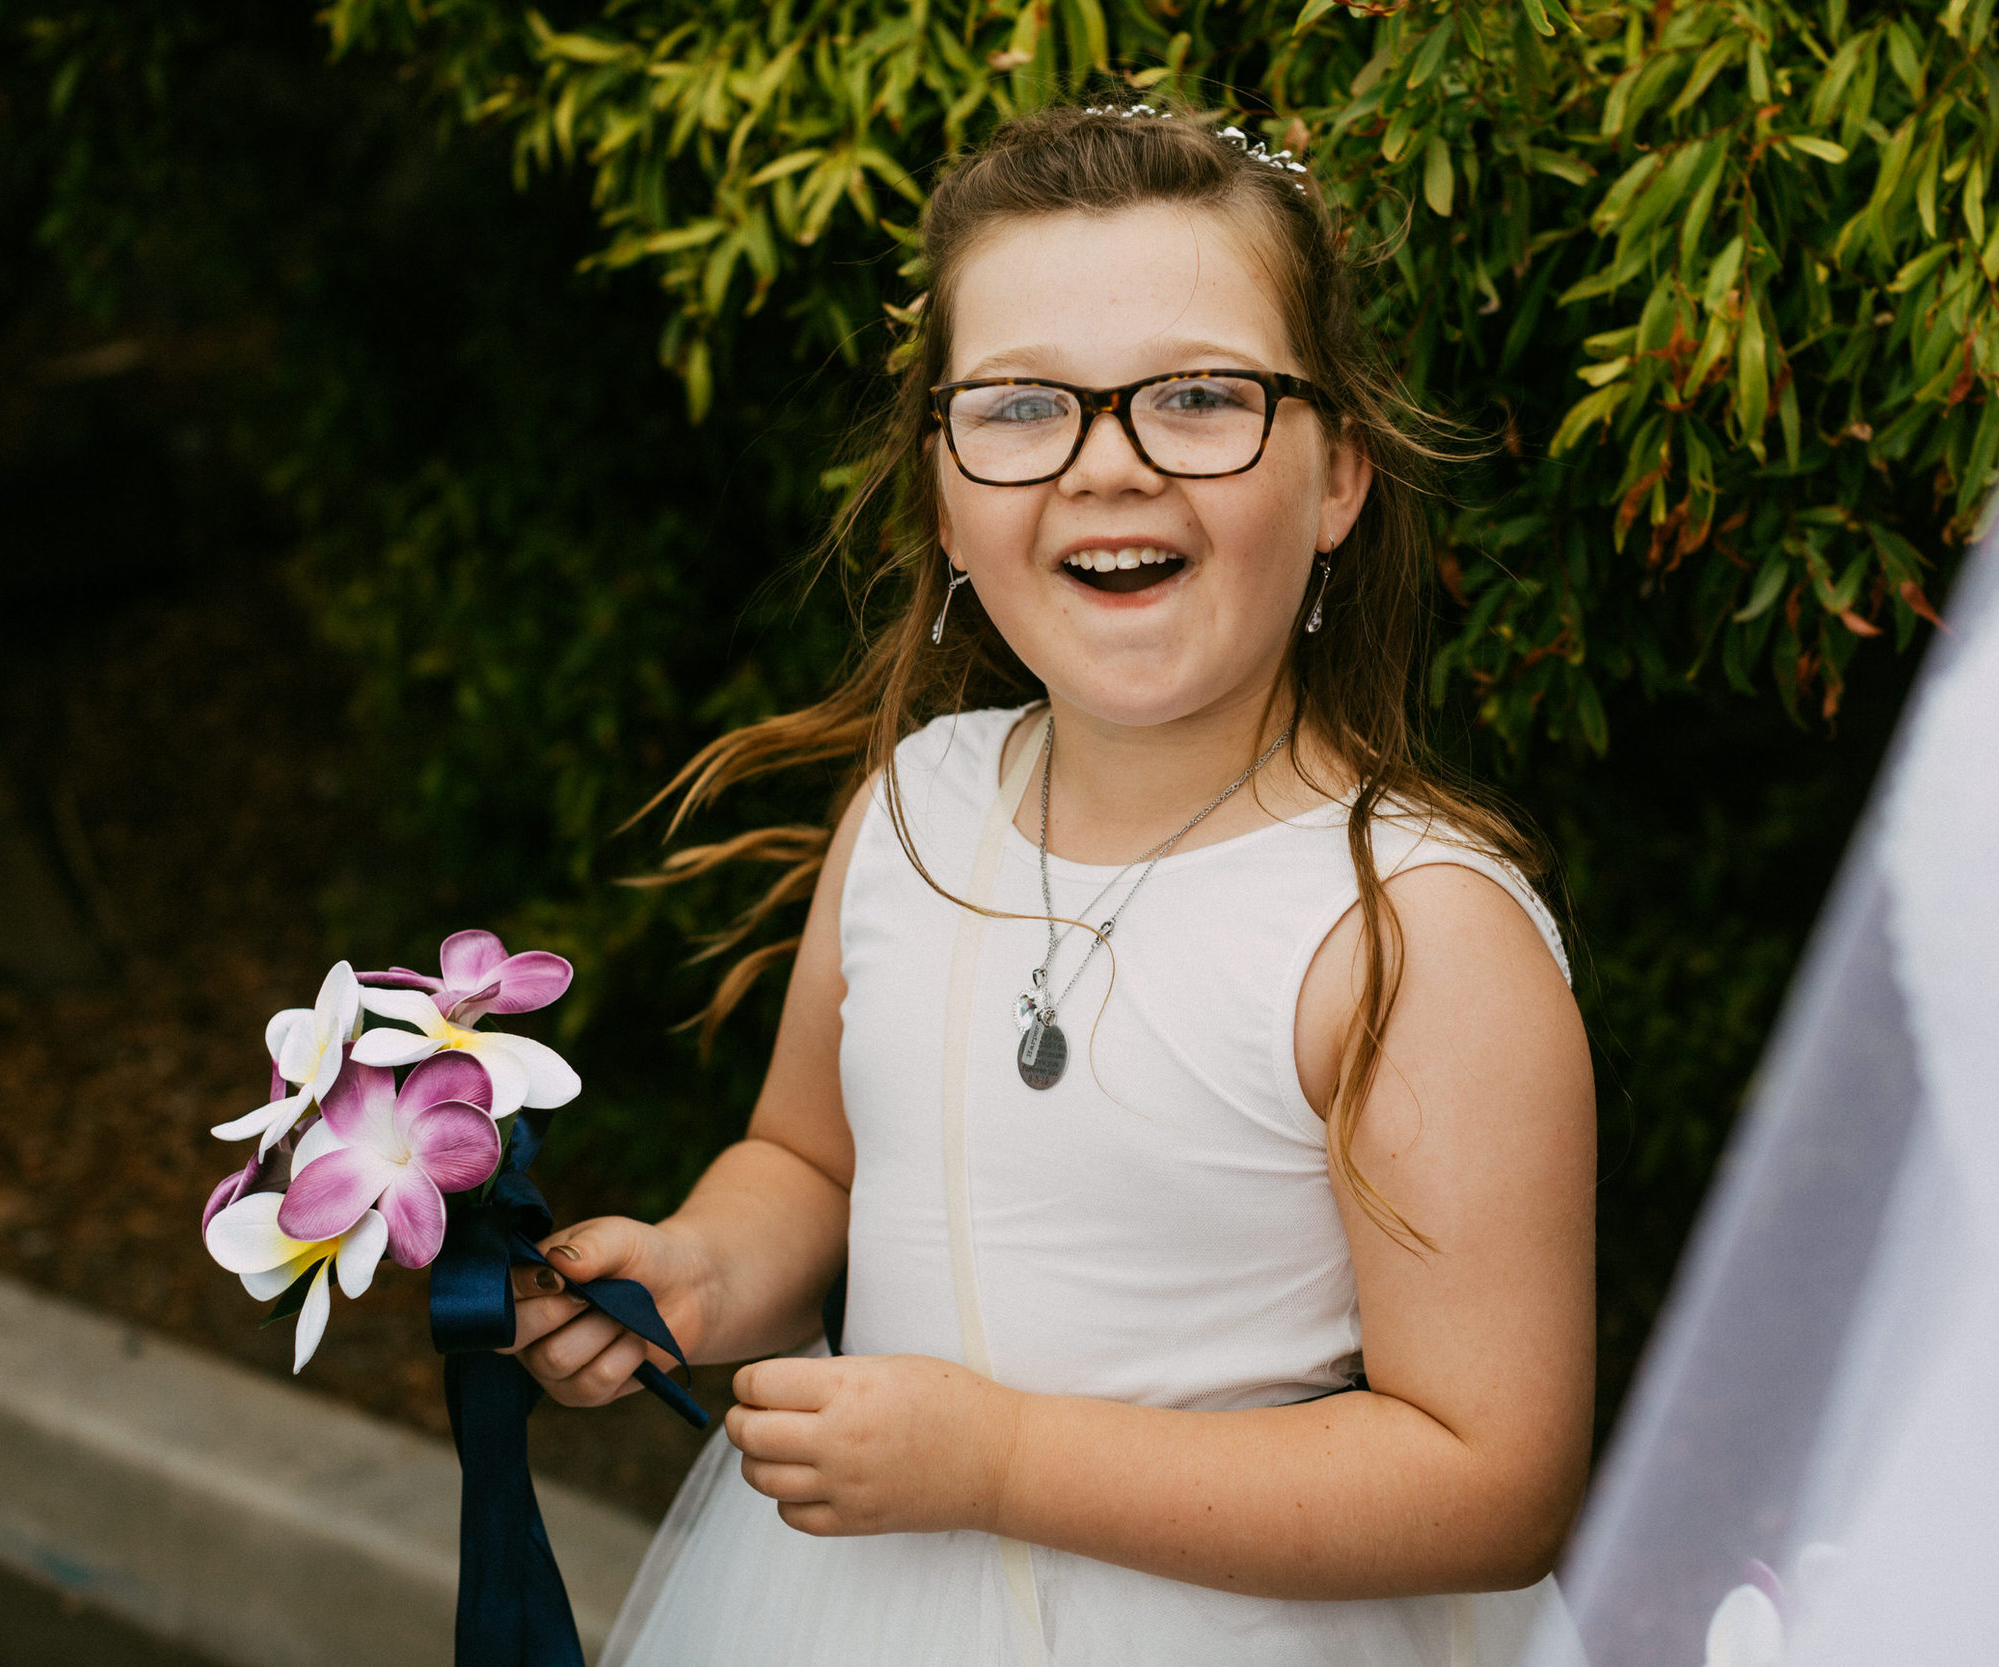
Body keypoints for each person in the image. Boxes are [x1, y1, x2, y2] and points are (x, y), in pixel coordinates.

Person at [502, 101, 1596, 1667]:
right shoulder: (917, 811)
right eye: (1021, 407)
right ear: (945, 487)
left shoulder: (1409, 935)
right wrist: (697, 1268)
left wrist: (1002, 1464)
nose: (1107, 467)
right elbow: (812, 1163)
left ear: (1341, 474)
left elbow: (1492, 1481)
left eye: (1201, 397)